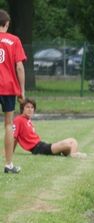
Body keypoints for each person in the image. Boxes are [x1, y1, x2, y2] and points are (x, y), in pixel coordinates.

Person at [13, 98, 87, 158]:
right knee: (67, 144)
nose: (30, 109)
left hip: (41, 145)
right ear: (22, 108)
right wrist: (10, 151)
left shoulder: (28, 120)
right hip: (37, 149)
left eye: (32, 107)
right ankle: (73, 154)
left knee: (73, 140)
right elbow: (14, 137)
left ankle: (72, 153)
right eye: (27, 107)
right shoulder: (18, 119)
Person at [0, 9, 25, 173]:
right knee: (8, 125)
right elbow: (19, 67)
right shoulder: (14, 40)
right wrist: (22, 90)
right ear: (7, 24)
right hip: (8, 87)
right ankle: (8, 165)